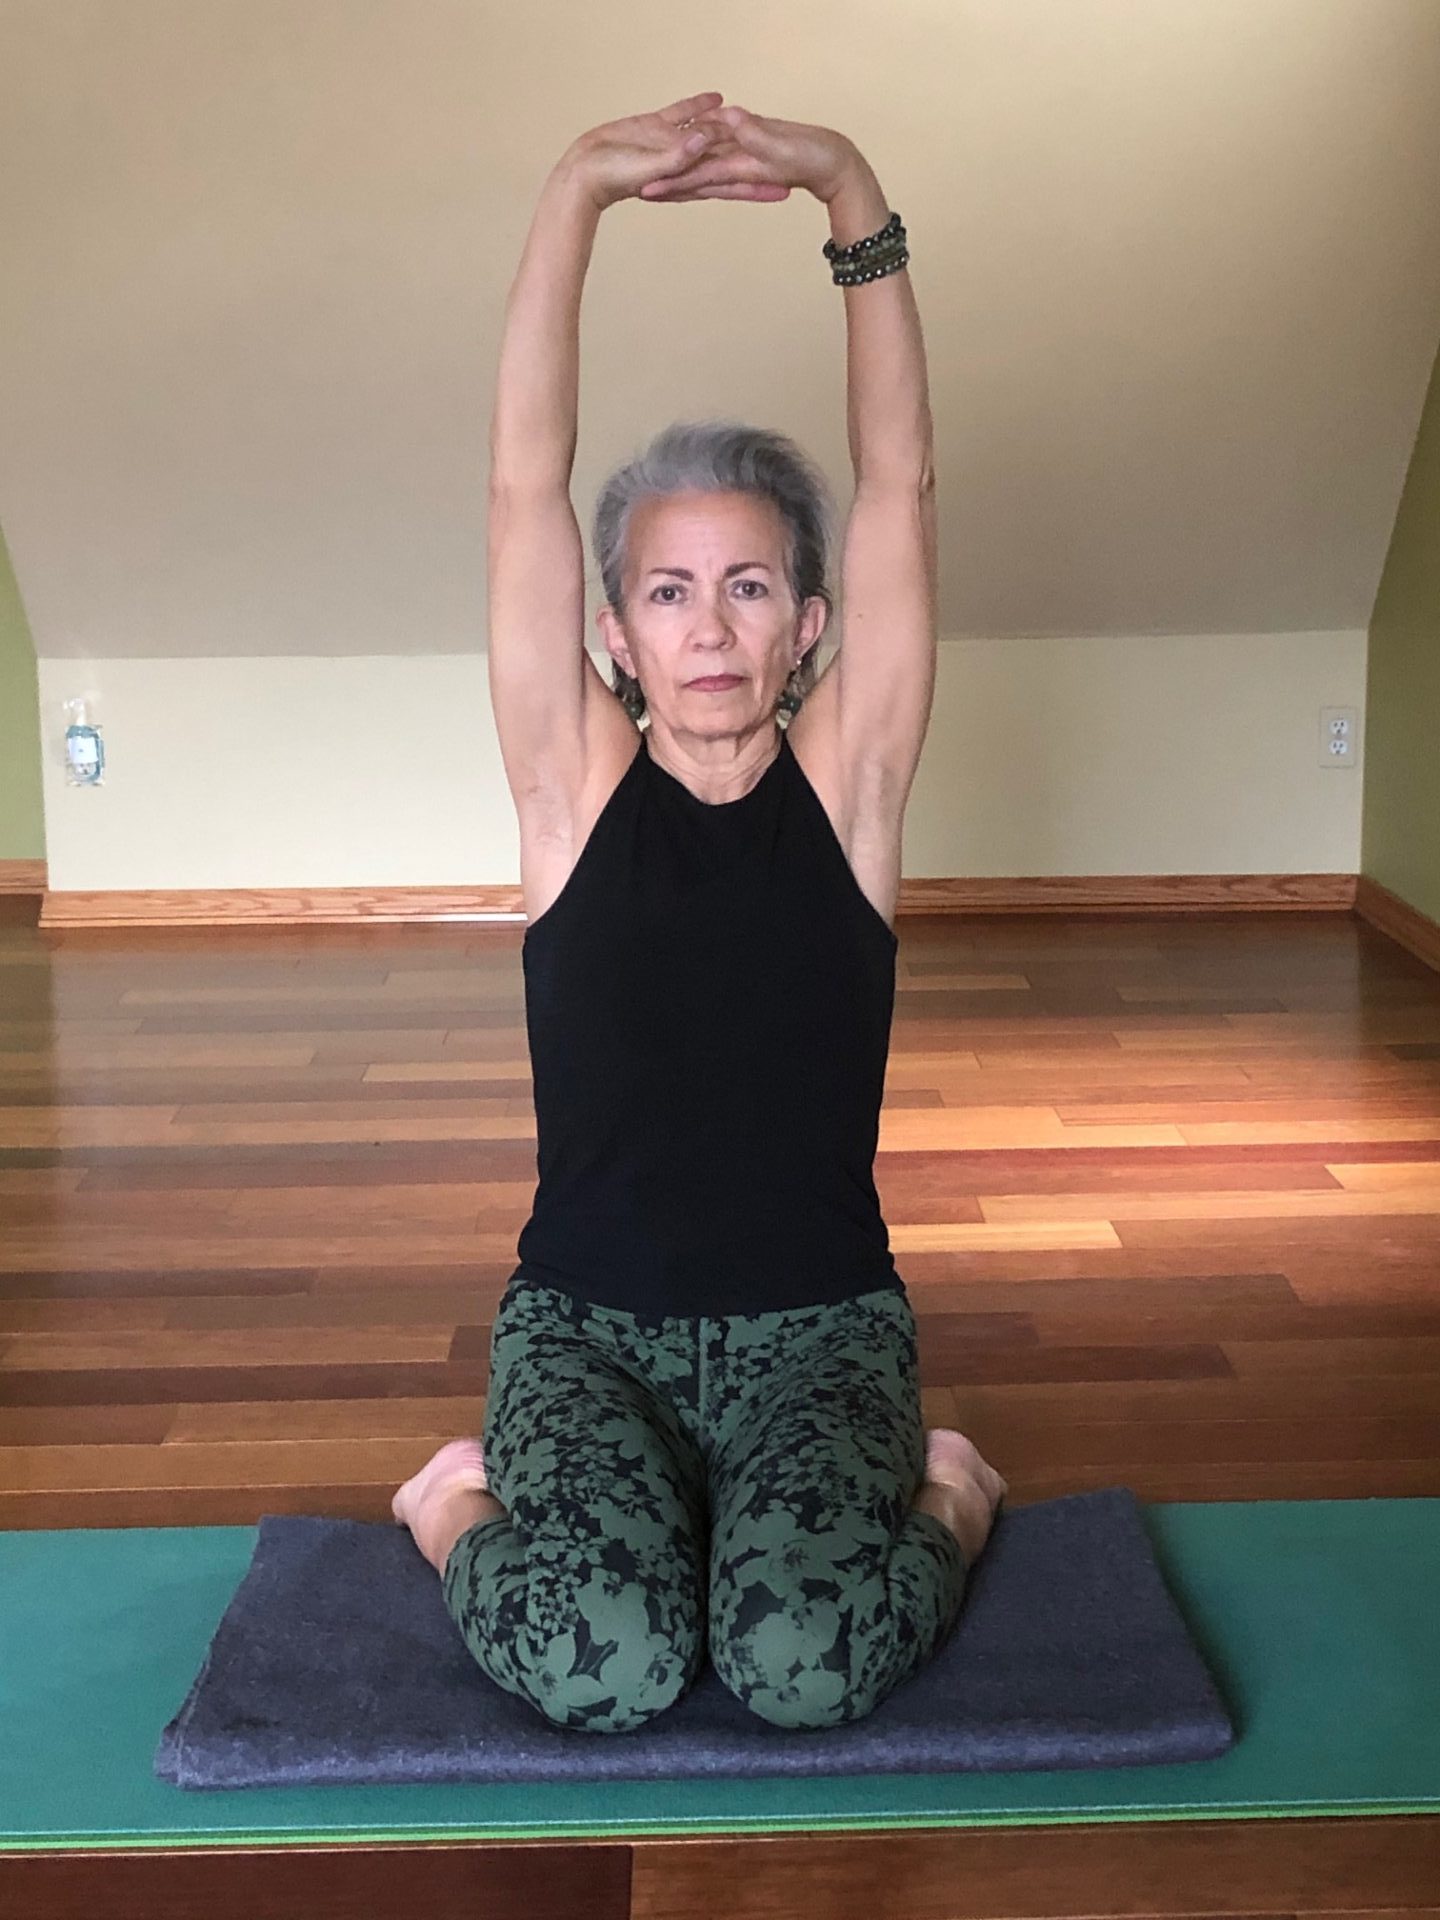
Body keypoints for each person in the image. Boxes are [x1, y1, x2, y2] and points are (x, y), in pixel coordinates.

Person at [394, 92, 1007, 1735]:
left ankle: (955, 1497)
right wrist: (572, 195)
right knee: (618, 1657)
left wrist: (852, 194)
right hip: (586, 1333)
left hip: (824, 1331)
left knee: (797, 1667)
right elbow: (526, 487)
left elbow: (903, 482)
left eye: (749, 586)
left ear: (810, 622)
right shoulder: (571, 795)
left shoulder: (851, 792)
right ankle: (442, 1505)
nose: (712, 626)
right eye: (669, 589)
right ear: (616, 633)